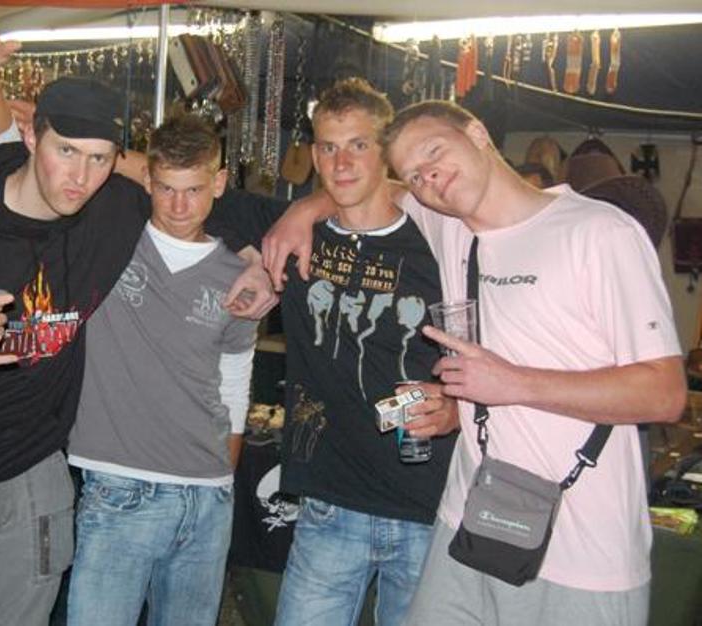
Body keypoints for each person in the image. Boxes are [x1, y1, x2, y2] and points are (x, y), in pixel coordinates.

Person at [0, 3, 275, 625]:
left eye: (99, 158)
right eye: (66, 151)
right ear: (30, 138)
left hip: (35, 474)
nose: (80, 176)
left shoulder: (112, 211)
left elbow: (194, 195)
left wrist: (256, 258)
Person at [265, 99, 686, 626]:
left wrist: (512, 383)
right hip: (465, 527)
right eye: (415, 174)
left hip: (582, 550)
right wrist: (300, 212)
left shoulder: (599, 232)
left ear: (478, 133)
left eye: (435, 151)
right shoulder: (450, 226)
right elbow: (364, 184)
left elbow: (664, 394)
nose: (429, 176)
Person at [206, 78, 459, 626]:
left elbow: (499, 350)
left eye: (358, 145)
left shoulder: (441, 243)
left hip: (426, 507)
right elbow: (185, 186)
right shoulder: (296, 235)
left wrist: (458, 407)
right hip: (329, 508)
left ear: (385, 151)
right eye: (328, 147)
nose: (341, 163)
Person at [63, 112, 258, 626]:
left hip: (207, 497)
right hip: (119, 487)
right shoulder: (111, 240)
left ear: (219, 183)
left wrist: (222, 474)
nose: (179, 206)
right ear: (146, 180)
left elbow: (236, 379)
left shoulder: (239, 275)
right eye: (167, 188)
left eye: (194, 190)